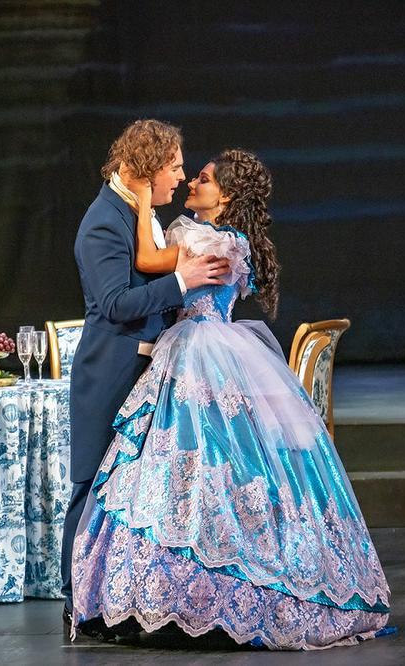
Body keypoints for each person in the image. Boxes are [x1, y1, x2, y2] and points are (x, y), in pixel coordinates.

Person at [70, 149, 391, 650]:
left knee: (203, 461)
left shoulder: (207, 240)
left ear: (226, 197)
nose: (190, 182)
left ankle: (213, 584)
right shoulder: (219, 237)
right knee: (202, 463)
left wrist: (140, 202)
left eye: (202, 178)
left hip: (199, 351)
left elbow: (147, 261)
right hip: (203, 349)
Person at [63, 120, 232, 638]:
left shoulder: (140, 213)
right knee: (93, 487)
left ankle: (117, 602)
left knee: (130, 493)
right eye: (174, 166)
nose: (181, 177)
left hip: (148, 373)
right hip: (111, 374)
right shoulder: (103, 221)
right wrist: (183, 282)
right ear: (147, 167)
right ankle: (77, 604)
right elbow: (115, 304)